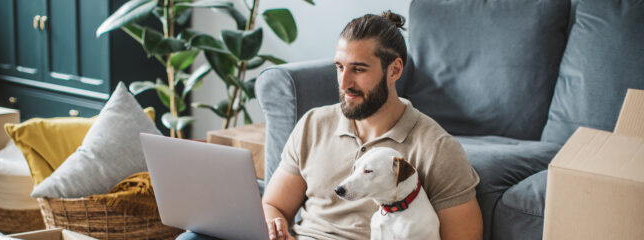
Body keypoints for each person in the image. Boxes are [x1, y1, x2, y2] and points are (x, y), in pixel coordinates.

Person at [177, 11, 482, 240]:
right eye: (339, 67)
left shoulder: (437, 148)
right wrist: (275, 223)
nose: (345, 83)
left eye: (359, 70)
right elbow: (274, 204)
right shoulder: (314, 123)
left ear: (395, 70)